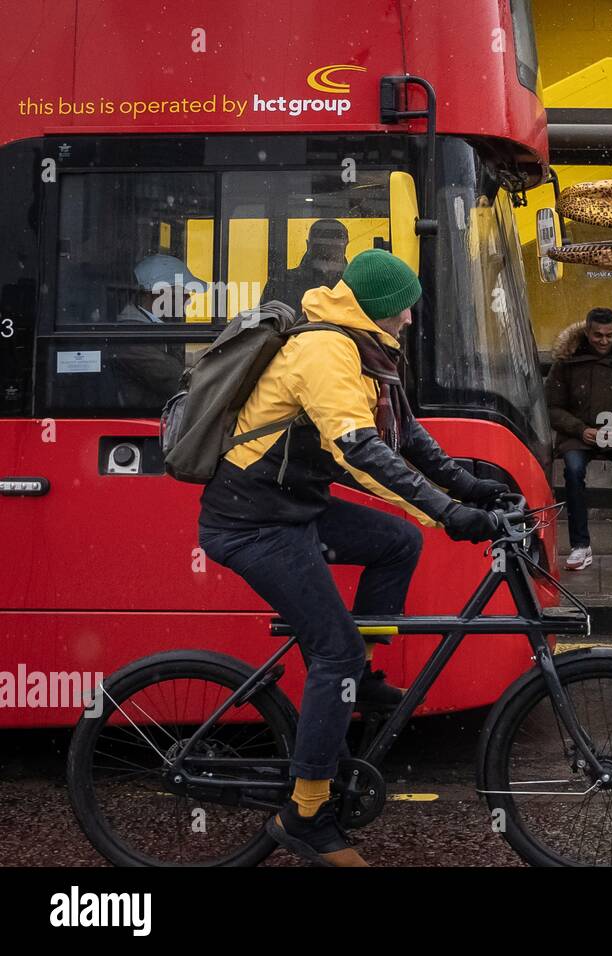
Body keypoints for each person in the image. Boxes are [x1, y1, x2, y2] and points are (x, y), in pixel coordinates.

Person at [197, 249, 511, 866]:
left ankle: (359, 677)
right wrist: (447, 513)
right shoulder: (325, 351)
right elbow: (359, 450)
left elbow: (407, 433)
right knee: (330, 649)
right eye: (405, 310)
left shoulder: (367, 348)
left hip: (295, 505)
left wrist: (467, 485)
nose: (412, 321)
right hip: (252, 519)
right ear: (378, 309)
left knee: (398, 542)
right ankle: (307, 813)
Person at [546, 307, 612, 571]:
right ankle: (580, 546)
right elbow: (551, 407)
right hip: (578, 434)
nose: (604, 341)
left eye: (608, 335)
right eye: (598, 335)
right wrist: (580, 429)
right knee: (572, 471)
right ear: (587, 332)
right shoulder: (567, 362)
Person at [110, 254, 193, 408]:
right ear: (157, 293)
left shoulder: (153, 325)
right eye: (183, 290)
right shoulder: (132, 336)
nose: (188, 298)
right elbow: (175, 379)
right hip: (144, 422)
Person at [260, 218, 350, 314]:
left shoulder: (281, 282)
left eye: (333, 247)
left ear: (308, 245)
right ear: (345, 246)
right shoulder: (354, 286)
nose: (327, 252)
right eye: (321, 247)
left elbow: (263, 324)